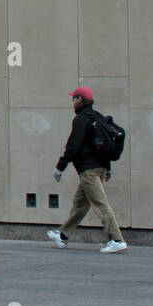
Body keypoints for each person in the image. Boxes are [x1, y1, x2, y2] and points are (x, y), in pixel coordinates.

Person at [47, 86, 127, 254]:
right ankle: (63, 235)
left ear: (80, 100)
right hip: (97, 168)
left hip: (88, 171)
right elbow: (102, 145)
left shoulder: (81, 120)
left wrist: (60, 167)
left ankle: (116, 239)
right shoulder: (96, 117)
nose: (72, 101)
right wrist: (108, 167)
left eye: (74, 98)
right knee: (80, 205)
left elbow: (73, 146)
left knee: (100, 203)